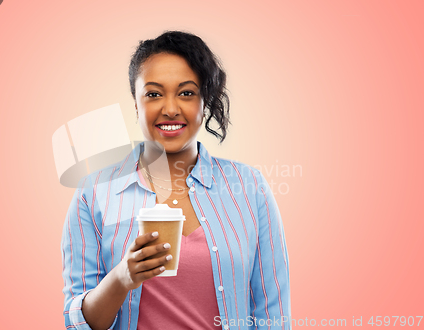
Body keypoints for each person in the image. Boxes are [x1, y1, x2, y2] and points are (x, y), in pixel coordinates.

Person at [61, 31, 291, 330]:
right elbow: (77, 324)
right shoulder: (93, 194)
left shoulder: (249, 186)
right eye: (154, 94)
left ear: (203, 102)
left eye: (186, 93)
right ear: (135, 102)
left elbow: (273, 313)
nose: (170, 109)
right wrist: (121, 278)